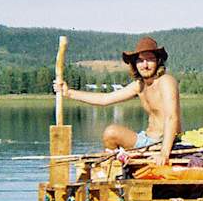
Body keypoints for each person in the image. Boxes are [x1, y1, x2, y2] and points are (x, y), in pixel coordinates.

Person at [53, 36, 181, 165]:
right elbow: (105, 99)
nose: (145, 65)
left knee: (112, 133)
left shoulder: (166, 81)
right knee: (111, 134)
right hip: (146, 139)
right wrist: (68, 92)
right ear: (135, 64)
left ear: (158, 61)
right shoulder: (140, 85)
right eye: (140, 60)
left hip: (163, 142)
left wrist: (164, 153)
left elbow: (171, 117)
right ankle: (115, 169)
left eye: (150, 59)